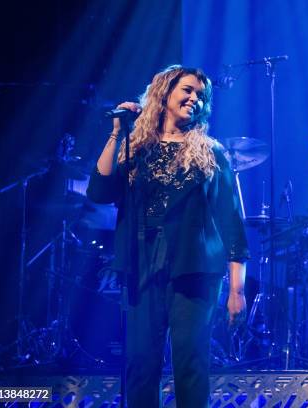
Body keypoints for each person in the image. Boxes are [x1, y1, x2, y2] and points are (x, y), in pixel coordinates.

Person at [86, 65, 249, 408]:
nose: (195, 99)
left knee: (190, 361)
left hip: (195, 268)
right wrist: (117, 133)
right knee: (141, 363)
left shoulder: (210, 153)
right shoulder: (136, 148)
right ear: (164, 93)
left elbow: (232, 223)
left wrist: (237, 289)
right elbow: (99, 191)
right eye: (187, 90)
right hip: (140, 262)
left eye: (201, 96)